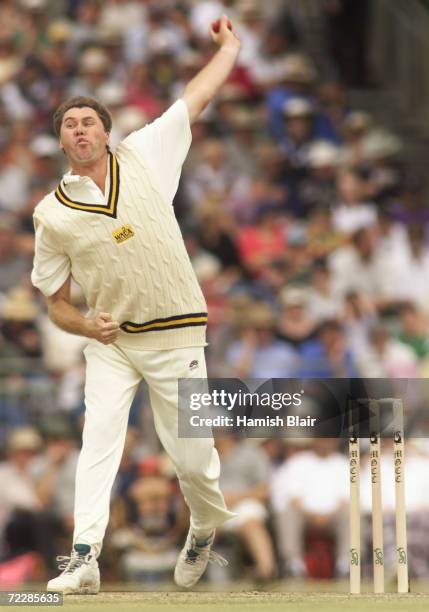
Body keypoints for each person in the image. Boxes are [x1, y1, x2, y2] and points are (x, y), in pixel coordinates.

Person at [31, 15, 241, 594]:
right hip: (113, 343)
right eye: (69, 124)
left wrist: (232, 48)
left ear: (106, 131)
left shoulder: (146, 153)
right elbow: (55, 305)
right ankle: (83, 558)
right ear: (61, 139)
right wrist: (87, 326)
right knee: (98, 440)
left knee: (194, 461)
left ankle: (202, 527)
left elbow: (195, 96)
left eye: (88, 122)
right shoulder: (52, 213)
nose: (79, 131)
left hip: (177, 336)